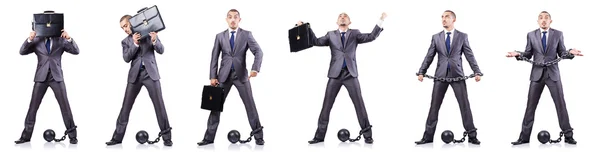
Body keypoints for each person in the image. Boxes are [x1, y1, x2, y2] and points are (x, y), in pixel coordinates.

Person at [298, 12, 387, 144]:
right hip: (335, 75)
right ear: (337, 21)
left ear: (349, 22)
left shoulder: (355, 33)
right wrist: (305, 28)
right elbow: (315, 41)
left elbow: (371, 36)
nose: (343, 17)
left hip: (350, 74)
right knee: (326, 106)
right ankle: (319, 137)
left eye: (345, 16)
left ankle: (368, 135)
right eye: (340, 16)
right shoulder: (331, 35)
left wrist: (381, 20)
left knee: (359, 105)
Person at [506, 11, 582, 145]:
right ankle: (524, 138)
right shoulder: (531, 35)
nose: (543, 20)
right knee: (530, 107)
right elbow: (528, 53)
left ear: (550, 21)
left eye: (546, 18)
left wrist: (570, 52)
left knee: (561, 105)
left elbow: (562, 52)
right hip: (537, 75)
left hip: (553, 75)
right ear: (538, 21)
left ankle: (568, 136)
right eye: (541, 18)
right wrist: (518, 54)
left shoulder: (558, 34)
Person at [197, 9, 265, 146]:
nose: (232, 19)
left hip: (241, 76)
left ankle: (259, 137)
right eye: (230, 17)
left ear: (239, 19)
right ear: (226, 20)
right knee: (215, 107)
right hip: (223, 76)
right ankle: (208, 138)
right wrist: (212, 76)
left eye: (235, 17)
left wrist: (255, 68)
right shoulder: (220, 36)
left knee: (250, 106)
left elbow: (258, 51)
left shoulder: (246, 35)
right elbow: (214, 57)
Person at [414, 10, 482, 145]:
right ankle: (428, 137)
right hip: (440, 76)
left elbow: (469, 55)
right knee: (434, 107)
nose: (444, 19)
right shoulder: (436, 37)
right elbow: (429, 56)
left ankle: (472, 135)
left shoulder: (462, 36)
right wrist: (422, 71)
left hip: (457, 76)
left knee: (465, 106)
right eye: (442, 17)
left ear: (454, 20)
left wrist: (476, 71)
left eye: (447, 17)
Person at [105, 14, 173, 146]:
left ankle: (167, 137)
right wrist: (135, 43)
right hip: (135, 76)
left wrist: (155, 40)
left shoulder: (148, 34)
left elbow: (161, 50)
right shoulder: (125, 41)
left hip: (151, 75)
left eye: (125, 25)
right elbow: (126, 58)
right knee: (125, 107)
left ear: (132, 22)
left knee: (159, 105)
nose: (124, 29)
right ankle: (117, 138)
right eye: (122, 28)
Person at [15, 22, 80, 144]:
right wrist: (30, 39)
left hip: (56, 77)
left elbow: (76, 51)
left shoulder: (60, 40)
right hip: (41, 77)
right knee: (32, 108)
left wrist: (69, 38)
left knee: (65, 107)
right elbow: (22, 51)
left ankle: (73, 136)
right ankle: (25, 137)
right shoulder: (36, 40)